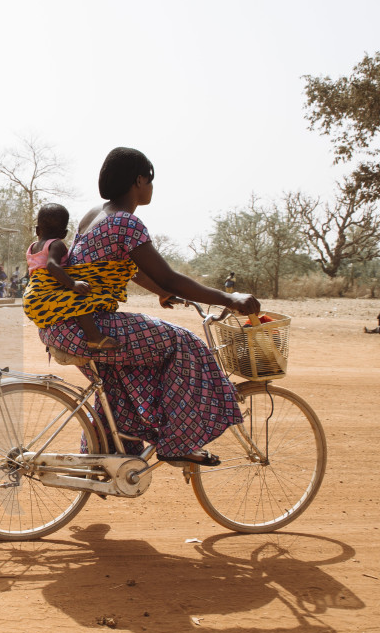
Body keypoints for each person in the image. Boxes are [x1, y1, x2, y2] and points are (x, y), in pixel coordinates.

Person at [38, 147, 260, 467]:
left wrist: (161, 292)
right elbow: (168, 276)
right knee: (182, 343)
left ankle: (107, 464)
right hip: (89, 326)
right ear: (139, 180)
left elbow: (130, 268)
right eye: (150, 180)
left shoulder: (95, 215)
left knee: (122, 382)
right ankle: (177, 442)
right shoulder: (127, 223)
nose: (152, 187)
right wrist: (229, 298)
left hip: (65, 326)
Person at [24, 203, 120, 350]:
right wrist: (72, 284)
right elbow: (51, 266)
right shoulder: (56, 245)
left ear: (37, 230)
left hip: (31, 297)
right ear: (64, 234)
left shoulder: (33, 247)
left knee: (62, 305)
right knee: (80, 300)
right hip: (43, 294)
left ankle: (53, 340)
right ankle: (95, 338)